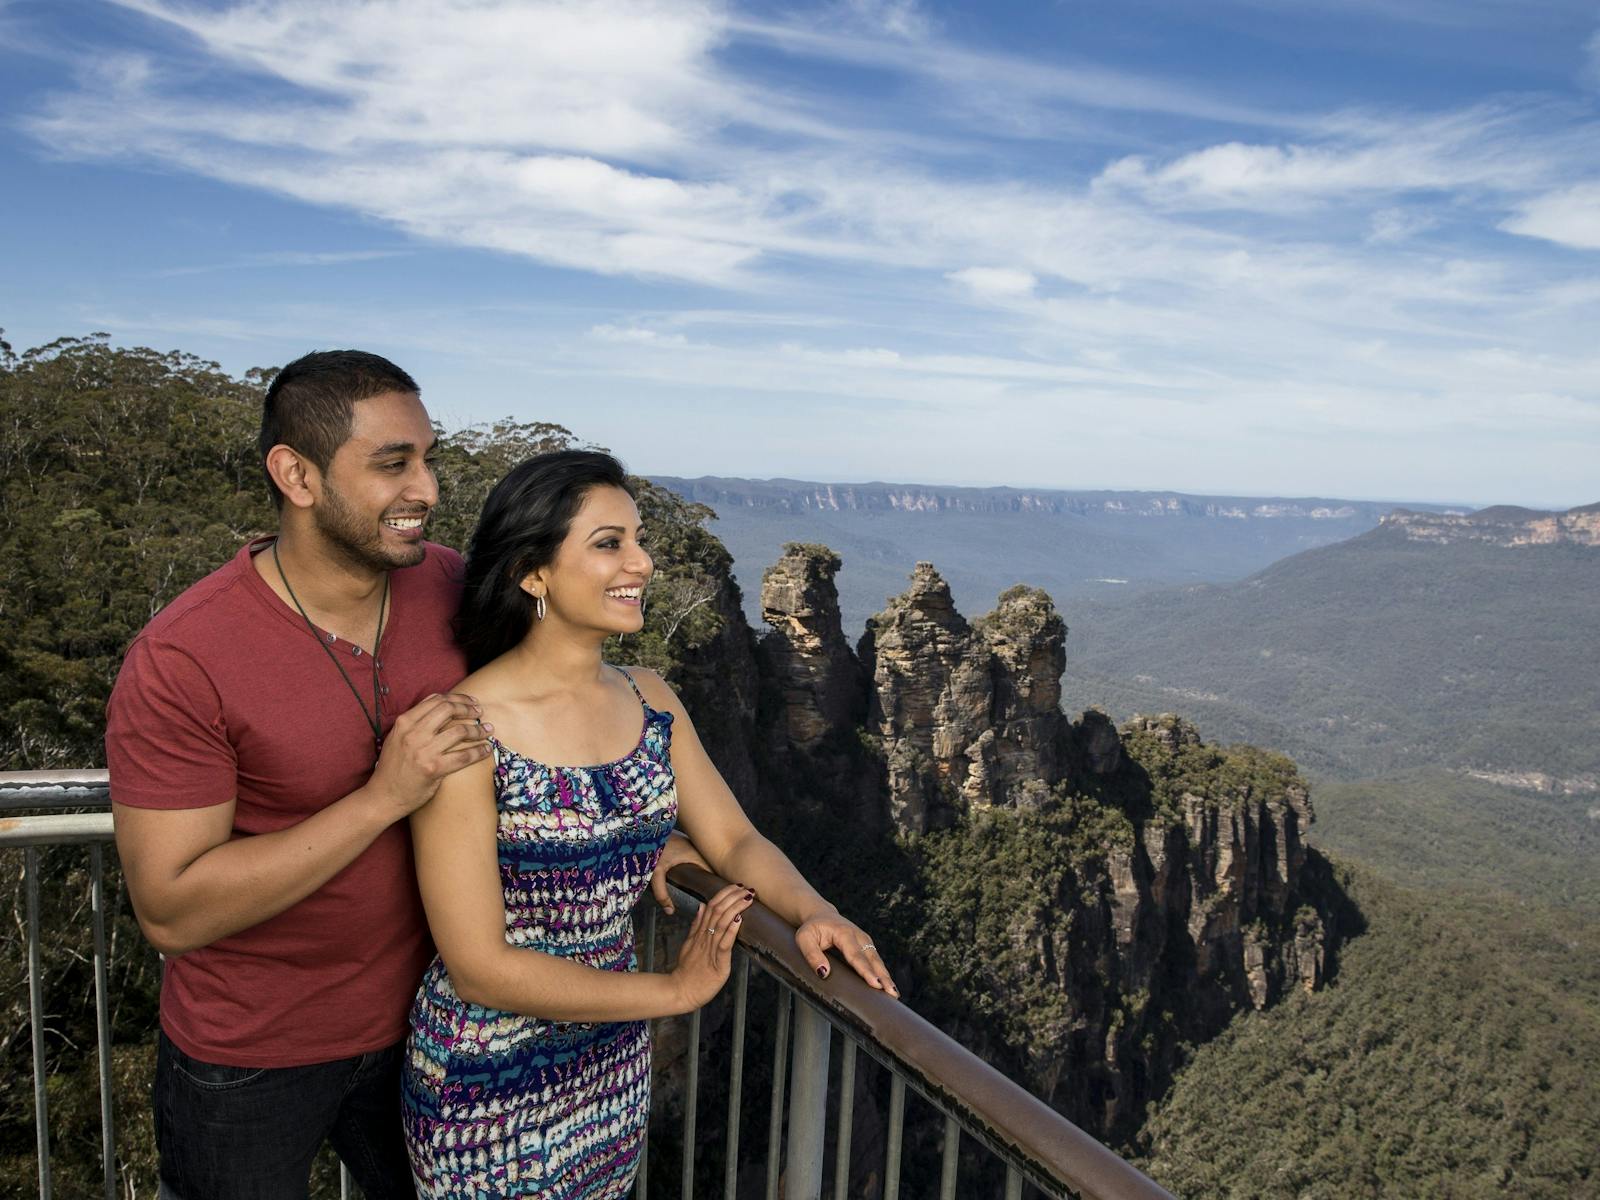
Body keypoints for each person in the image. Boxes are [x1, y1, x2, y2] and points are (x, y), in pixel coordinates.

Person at [401, 450, 899, 1199]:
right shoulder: (464, 730)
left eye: (638, 539)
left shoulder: (650, 696)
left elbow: (732, 840)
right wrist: (675, 991)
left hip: (609, 1065)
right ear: (532, 573)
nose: (643, 561)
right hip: (487, 1083)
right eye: (609, 544)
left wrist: (814, 912)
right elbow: (480, 966)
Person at [106, 350, 491, 1199]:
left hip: (436, 1027)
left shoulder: (454, 587)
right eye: (394, 464)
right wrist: (383, 799)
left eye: (429, 459)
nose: (427, 489)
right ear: (297, 474)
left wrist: (651, 836)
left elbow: (569, 695)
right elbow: (171, 908)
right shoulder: (184, 659)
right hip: (249, 1057)